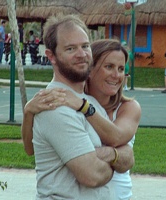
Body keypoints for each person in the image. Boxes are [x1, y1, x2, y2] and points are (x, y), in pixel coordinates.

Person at [22, 15, 135, 199]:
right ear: (51, 56)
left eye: (85, 46)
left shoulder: (88, 102)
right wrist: (115, 160)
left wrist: (104, 154)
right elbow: (92, 175)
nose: (81, 54)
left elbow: (129, 157)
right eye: (70, 48)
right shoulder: (54, 105)